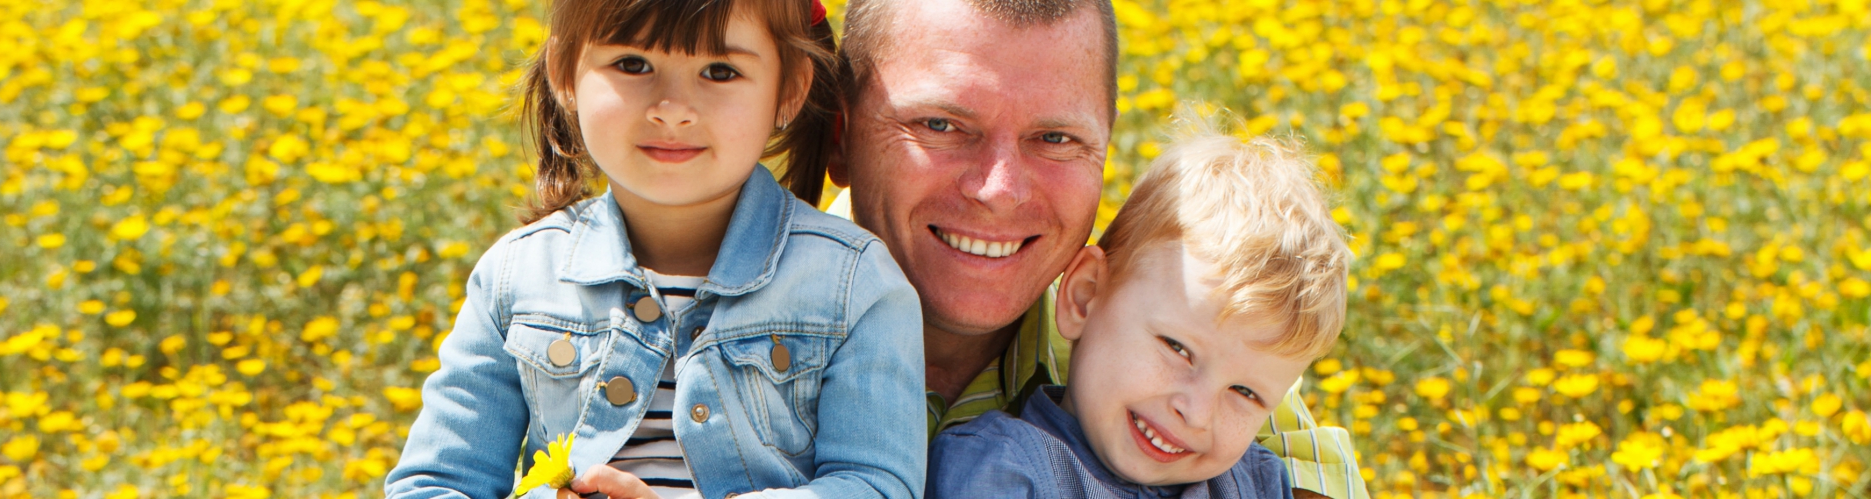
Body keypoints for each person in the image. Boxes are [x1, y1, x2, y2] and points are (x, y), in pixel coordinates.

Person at [384, 0, 926, 498]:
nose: (672, 110)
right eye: (632, 64)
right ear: (563, 71)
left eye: (719, 71)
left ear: (789, 89)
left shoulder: (853, 283)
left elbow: (877, 486)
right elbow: (436, 481)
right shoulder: (517, 276)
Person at [825, 0, 1368, 496]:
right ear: (839, 136)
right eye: (940, 124)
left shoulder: (1202, 324)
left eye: (1056, 138)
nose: (1000, 191)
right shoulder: (755, 337)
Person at [926, 110, 1353, 498]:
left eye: (1245, 392)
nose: (1196, 412)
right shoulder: (999, 471)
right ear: (1085, 295)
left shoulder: (1256, 485)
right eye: (1178, 349)